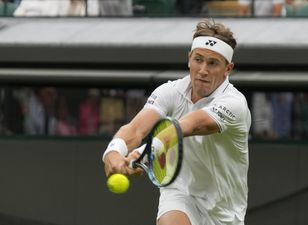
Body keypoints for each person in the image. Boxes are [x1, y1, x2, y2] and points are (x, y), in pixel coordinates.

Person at [102, 19, 251, 225]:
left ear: (228, 69)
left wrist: (140, 155)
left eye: (213, 63)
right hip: (181, 192)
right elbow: (136, 129)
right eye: (198, 59)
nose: (203, 70)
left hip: (225, 211)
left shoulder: (235, 103)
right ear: (189, 59)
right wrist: (113, 151)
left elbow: (187, 126)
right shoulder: (169, 91)